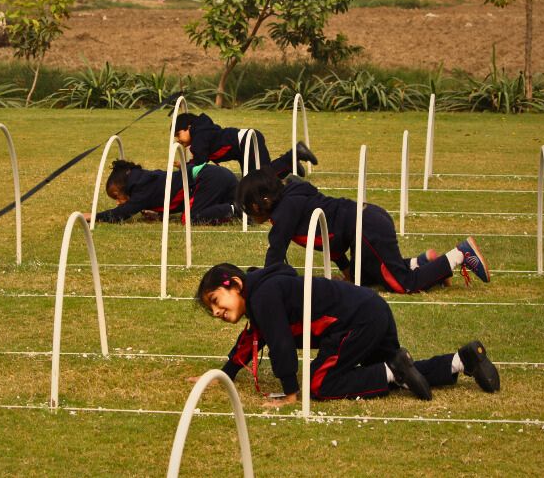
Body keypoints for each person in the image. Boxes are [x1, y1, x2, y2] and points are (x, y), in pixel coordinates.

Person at [194, 262, 500, 405]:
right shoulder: (262, 292)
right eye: (212, 311)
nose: (217, 313)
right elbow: (251, 339)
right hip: (372, 308)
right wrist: (223, 374)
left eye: (216, 302)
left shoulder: (263, 297)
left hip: (355, 321)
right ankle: (462, 361)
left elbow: (281, 344)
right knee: (403, 371)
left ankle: (392, 371)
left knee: (318, 384)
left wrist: (291, 392)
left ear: (235, 284)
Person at [236, 168, 491, 293]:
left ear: (260, 203)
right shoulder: (292, 203)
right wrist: (348, 274)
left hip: (368, 226)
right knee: (367, 279)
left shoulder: (285, 212)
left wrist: (261, 285)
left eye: (249, 208)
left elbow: (275, 253)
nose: (249, 213)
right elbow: (331, 242)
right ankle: (424, 262)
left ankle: (460, 253)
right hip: (362, 222)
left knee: (401, 285)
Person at [83, 159, 240, 225]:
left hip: (211, 178)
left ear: (124, 185)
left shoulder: (141, 186)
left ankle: (234, 209)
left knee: (190, 219)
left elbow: (122, 213)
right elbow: (170, 197)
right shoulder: (143, 181)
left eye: (116, 196)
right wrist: (159, 215)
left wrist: (95, 216)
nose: (118, 202)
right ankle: (231, 206)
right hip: (215, 177)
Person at [173, 112, 318, 178]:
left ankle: (293, 155)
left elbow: (200, 162)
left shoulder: (199, 136)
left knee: (260, 179)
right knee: (256, 182)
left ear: (189, 127)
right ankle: (289, 163)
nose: (178, 140)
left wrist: (184, 167)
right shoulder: (201, 133)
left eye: (178, 134)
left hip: (248, 142)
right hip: (243, 148)